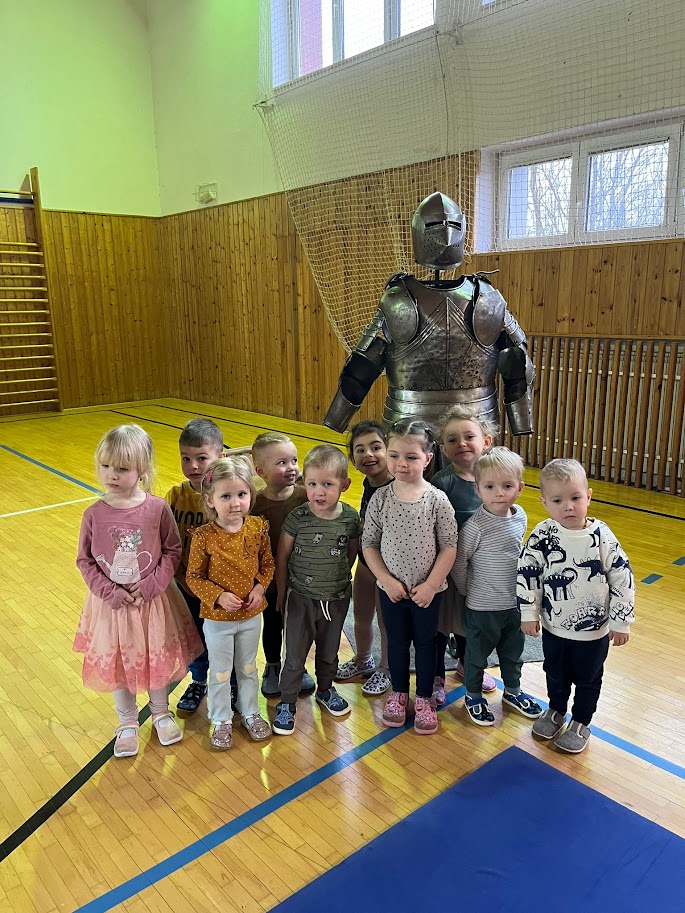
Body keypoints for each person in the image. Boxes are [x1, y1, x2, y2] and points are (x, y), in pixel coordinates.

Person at [323, 191, 534, 437]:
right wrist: (336, 419)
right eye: (435, 225)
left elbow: (518, 365)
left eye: (452, 225)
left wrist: (336, 419)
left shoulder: (484, 297)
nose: (445, 234)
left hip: (461, 422)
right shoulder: (400, 298)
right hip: (435, 422)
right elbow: (363, 366)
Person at [74, 424, 202, 759]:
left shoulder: (157, 508)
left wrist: (150, 586)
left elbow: (172, 551)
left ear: (142, 469)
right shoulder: (93, 514)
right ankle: (127, 722)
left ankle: (160, 713)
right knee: (120, 662)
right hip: (112, 608)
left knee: (155, 657)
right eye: (105, 466)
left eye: (121, 468)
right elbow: (85, 560)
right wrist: (110, 592)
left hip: (153, 603)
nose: (111, 475)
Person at [518, 458, 634, 753]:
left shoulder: (601, 536)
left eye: (575, 498)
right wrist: (528, 612)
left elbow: (622, 577)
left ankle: (581, 721)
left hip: (593, 634)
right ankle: (556, 710)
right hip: (554, 628)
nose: (568, 507)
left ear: (588, 496)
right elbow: (528, 573)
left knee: (588, 679)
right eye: (558, 500)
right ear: (544, 502)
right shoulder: (542, 535)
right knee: (555, 673)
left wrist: (621, 621)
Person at [362, 419, 457, 735]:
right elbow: (369, 544)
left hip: (428, 593)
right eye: (394, 455)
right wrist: (386, 580)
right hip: (391, 591)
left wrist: (431, 585)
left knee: (427, 644)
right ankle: (399, 693)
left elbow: (449, 546)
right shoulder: (381, 498)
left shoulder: (437, 500)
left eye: (411, 457)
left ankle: (425, 698)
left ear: (428, 458)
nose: (401, 463)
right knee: (397, 643)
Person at [186, 456, 275, 749]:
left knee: (248, 667)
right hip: (218, 620)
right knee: (221, 671)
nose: (235, 503)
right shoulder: (203, 537)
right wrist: (218, 596)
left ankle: (250, 712)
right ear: (209, 500)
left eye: (241, 494)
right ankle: (221, 718)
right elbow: (194, 577)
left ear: (250, 494)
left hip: (251, 617)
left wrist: (260, 588)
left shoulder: (258, 528)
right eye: (226, 496)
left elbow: (268, 565)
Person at [273, 445, 360, 735]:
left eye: (327, 484)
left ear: (344, 485)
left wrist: (336, 581)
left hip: (336, 599)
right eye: (312, 484)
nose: (318, 492)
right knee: (294, 655)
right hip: (300, 599)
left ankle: (325, 689)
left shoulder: (350, 518)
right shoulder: (298, 517)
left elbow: (351, 553)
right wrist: (282, 594)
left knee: (329, 650)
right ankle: (287, 701)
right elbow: (282, 557)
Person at [454, 447, 542, 727]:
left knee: (512, 653)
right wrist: (468, 591)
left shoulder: (520, 516)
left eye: (507, 486)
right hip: (482, 607)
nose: (499, 493)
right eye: (490, 487)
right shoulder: (475, 527)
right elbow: (460, 562)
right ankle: (473, 695)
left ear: (520, 488)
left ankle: (513, 691)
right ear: (478, 489)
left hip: (513, 605)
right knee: (476, 656)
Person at [165, 418, 238, 715]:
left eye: (201, 458)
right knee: (194, 638)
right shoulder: (176, 495)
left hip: (223, 590)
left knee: (226, 641)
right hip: (186, 586)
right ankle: (198, 681)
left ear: (220, 457)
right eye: (186, 458)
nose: (193, 465)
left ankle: (232, 684)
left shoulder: (231, 494)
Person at [432, 406, 499, 704]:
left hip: (478, 571)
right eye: (452, 439)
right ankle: (435, 675)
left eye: (469, 436)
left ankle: (466, 665)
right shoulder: (442, 483)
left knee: (469, 623)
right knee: (439, 625)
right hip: (445, 570)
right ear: (443, 448)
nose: (461, 443)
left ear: (486, 441)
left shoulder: (493, 481)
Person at [251, 431, 314, 696]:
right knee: (273, 624)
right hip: (270, 582)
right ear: (261, 471)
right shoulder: (254, 504)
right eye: (282, 463)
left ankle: (297, 665)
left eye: (294, 461)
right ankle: (273, 665)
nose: (291, 468)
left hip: (300, 579)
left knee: (298, 626)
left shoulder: (305, 496)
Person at [335, 421, 393, 696]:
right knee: (360, 615)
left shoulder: (397, 487)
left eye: (376, 447)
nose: (368, 454)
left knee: (385, 623)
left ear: (388, 450)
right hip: (366, 564)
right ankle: (363, 659)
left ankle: (387, 668)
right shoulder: (368, 484)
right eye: (360, 450)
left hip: (389, 569)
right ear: (353, 460)